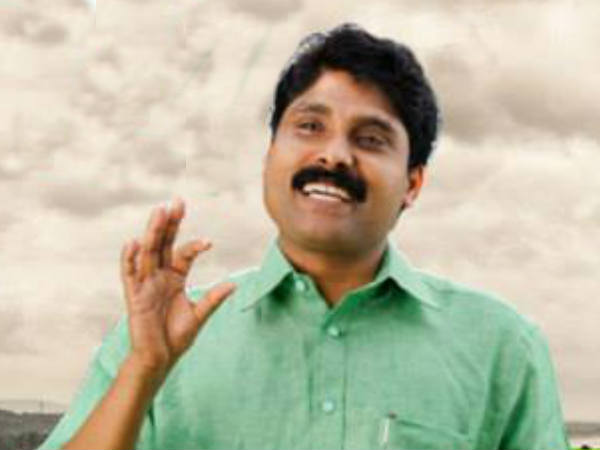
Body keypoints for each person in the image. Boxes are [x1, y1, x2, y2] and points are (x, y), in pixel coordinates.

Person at [40, 24, 570, 450]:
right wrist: (145, 370)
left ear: (412, 183)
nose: (334, 154)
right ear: (270, 154)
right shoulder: (153, 338)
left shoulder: (502, 346)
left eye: (371, 138)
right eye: (310, 126)